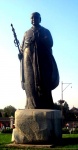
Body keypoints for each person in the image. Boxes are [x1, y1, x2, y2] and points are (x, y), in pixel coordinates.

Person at [18, 12, 59, 109]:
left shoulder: (46, 31)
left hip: (42, 62)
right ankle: (31, 104)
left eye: (36, 18)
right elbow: (22, 47)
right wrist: (20, 55)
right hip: (28, 62)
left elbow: (50, 43)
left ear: (40, 19)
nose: (33, 20)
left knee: (44, 83)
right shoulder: (26, 33)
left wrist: (40, 39)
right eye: (32, 18)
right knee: (30, 82)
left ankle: (46, 104)